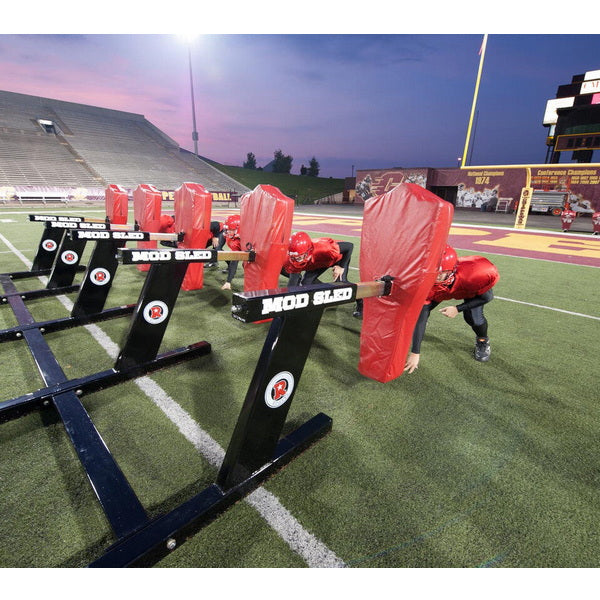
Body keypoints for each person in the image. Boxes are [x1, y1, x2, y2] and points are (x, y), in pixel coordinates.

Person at [404, 245, 499, 373]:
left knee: (474, 319)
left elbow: (486, 298)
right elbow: (422, 314)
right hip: (440, 291)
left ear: (450, 271)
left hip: (468, 290)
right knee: (416, 314)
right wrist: (415, 352)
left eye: (439, 273)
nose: (434, 275)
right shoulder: (428, 281)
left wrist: (458, 308)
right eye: (432, 270)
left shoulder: (475, 273)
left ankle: (482, 340)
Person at [282, 231, 362, 316]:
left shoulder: (324, 248)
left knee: (341, 284)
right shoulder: (291, 259)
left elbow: (349, 246)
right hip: (317, 262)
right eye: (294, 257)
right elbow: (292, 283)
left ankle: (361, 299)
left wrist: (341, 267)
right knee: (306, 283)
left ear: (308, 250)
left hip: (336, 258)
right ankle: (329, 293)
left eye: (300, 257)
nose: (297, 260)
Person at [220, 214, 241, 290]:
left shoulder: (243, 239)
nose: (228, 232)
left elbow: (235, 261)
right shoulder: (227, 235)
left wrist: (228, 281)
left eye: (231, 230)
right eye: (227, 229)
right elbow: (218, 247)